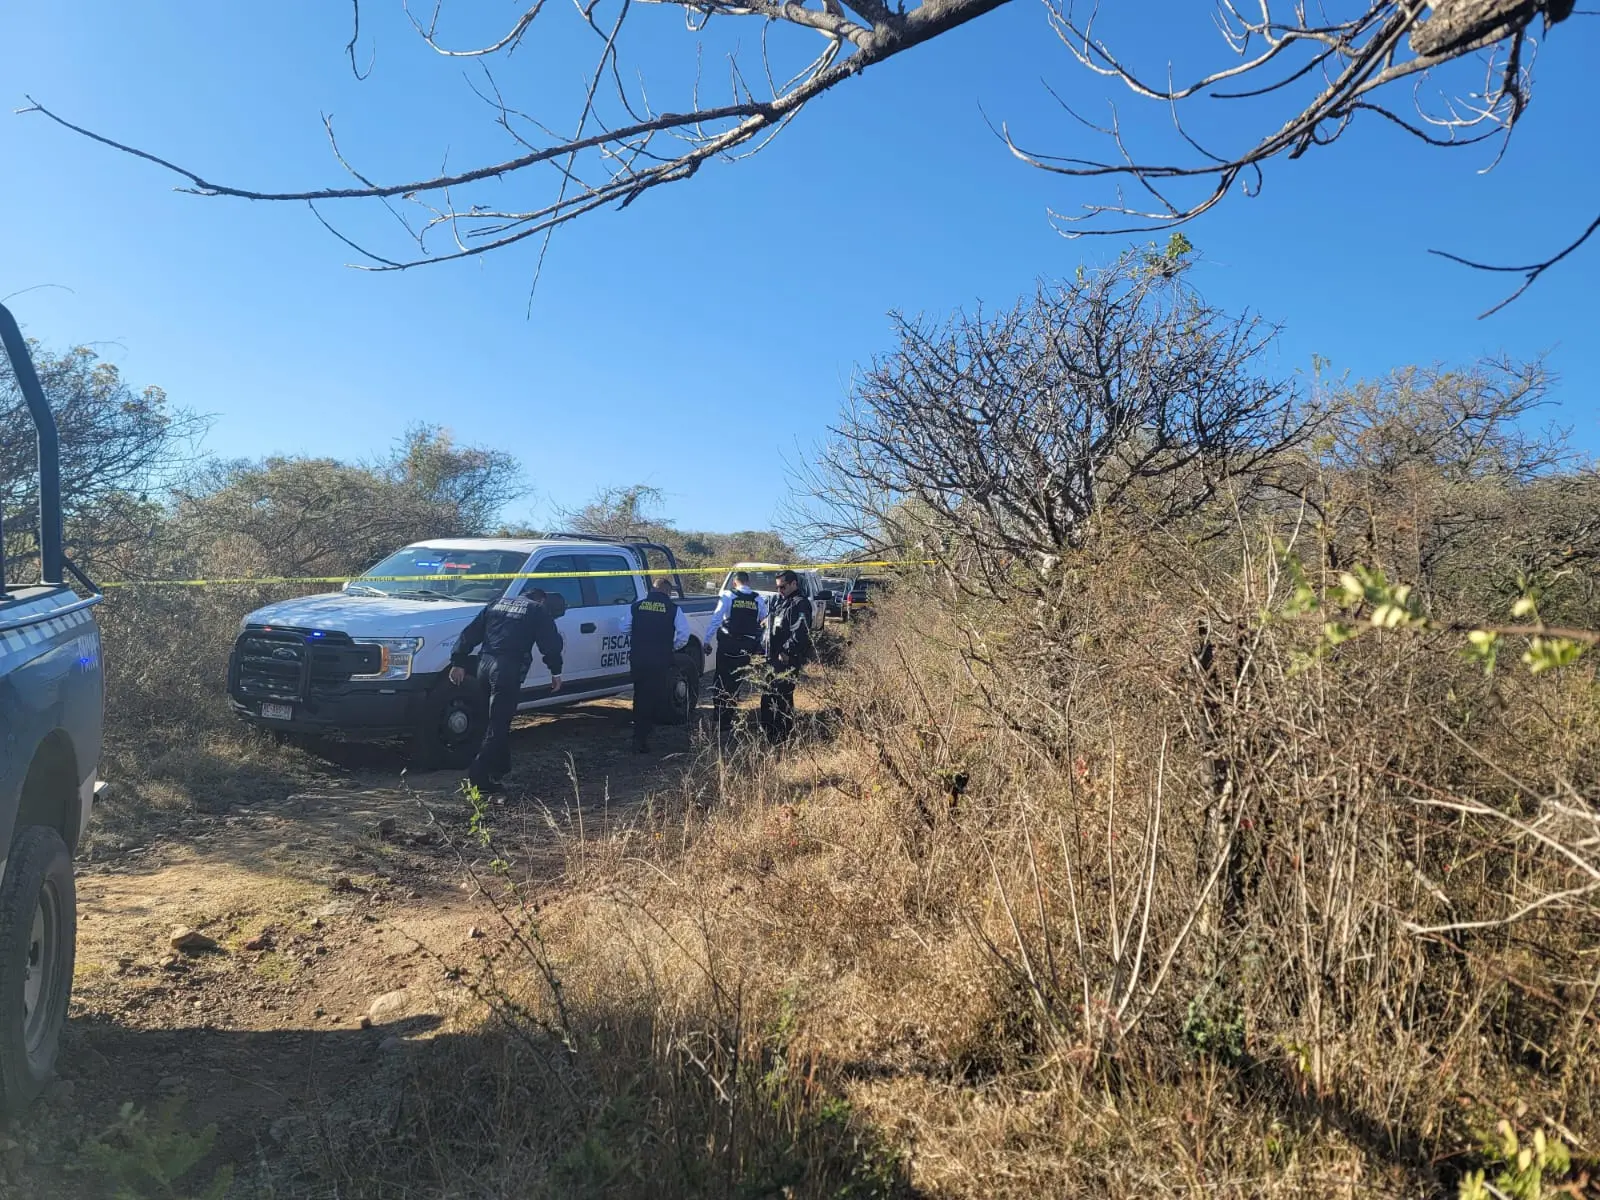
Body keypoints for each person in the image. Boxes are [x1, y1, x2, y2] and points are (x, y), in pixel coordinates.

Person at [448, 587, 564, 793]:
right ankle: (479, 776)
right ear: (542, 599)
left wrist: (458, 661)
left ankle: (500, 766)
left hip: (483, 665)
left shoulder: (497, 603)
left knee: (490, 719)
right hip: (507, 669)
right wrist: (556, 670)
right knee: (499, 723)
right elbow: (551, 643)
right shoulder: (537, 610)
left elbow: (471, 633)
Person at [620, 575, 689, 752]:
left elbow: (624, 628)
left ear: (652, 589)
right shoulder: (673, 609)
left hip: (638, 657)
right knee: (654, 696)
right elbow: (683, 635)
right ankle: (643, 735)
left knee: (639, 693)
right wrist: (670, 648)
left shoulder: (636, 606)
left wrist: (639, 638)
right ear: (667, 591)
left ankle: (639, 733)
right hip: (659, 659)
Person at [704, 570, 768, 731]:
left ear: (735, 582)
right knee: (736, 681)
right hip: (746, 647)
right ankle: (727, 718)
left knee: (721, 678)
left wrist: (706, 640)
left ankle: (718, 715)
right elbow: (765, 620)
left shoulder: (728, 595)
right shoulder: (757, 598)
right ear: (748, 582)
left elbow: (716, 618)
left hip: (727, 644)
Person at [760, 569, 815, 743]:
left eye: (783, 587)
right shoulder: (780, 602)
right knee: (768, 694)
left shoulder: (800, 604)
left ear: (793, 584)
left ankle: (782, 736)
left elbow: (801, 633)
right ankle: (768, 732)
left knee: (783, 697)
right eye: (777, 587)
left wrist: (786, 651)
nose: (779, 591)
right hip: (772, 656)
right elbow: (773, 623)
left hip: (786, 658)